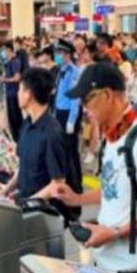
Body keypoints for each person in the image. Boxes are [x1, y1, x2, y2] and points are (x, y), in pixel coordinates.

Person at [51, 62, 137, 273]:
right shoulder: (112, 139)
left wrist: (114, 233)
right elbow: (114, 189)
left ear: (107, 95)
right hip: (104, 261)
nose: (84, 109)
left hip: (131, 268)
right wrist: (76, 199)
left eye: (86, 100)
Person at [0, 68, 79, 208]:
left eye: (20, 89)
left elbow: (58, 183)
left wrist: (27, 203)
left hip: (43, 210)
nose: (17, 94)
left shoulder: (52, 133)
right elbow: (22, 167)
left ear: (28, 94)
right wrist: (5, 191)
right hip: (26, 201)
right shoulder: (27, 125)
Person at [53, 40, 83, 189]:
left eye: (61, 53)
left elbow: (75, 98)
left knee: (71, 150)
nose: (59, 56)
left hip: (69, 114)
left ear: (68, 55)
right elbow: (58, 94)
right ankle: (68, 180)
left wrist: (71, 120)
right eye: (58, 53)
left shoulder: (74, 72)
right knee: (63, 149)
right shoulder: (61, 70)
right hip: (59, 112)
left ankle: (76, 184)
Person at [0, 42, 24, 141]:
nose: (3, 53)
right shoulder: (8, 62)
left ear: (9, 50)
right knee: (11, 117)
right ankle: (15, 137)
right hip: (9, 93)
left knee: (15, 116)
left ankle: (19, 137)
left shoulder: (15, 62)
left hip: (14, 93)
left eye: (4, 50)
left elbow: (17, 78)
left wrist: (5, 80)